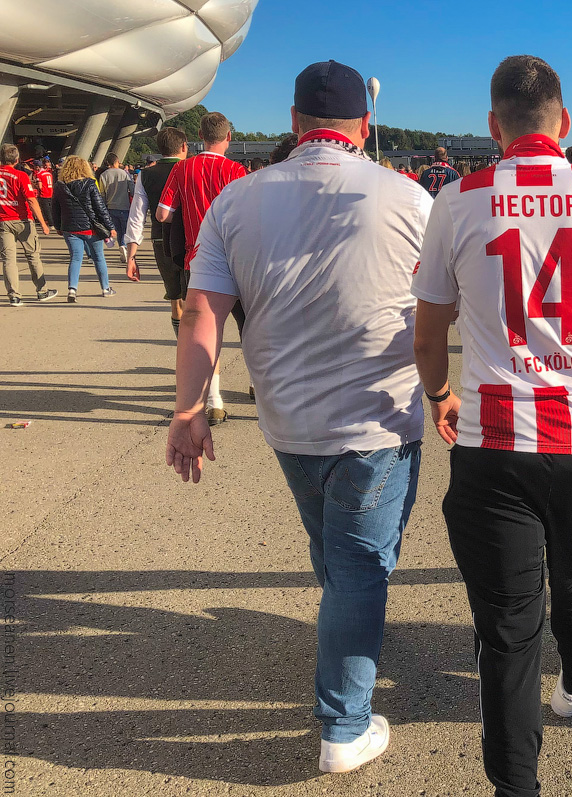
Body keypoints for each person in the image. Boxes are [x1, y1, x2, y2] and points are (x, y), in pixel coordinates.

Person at [167, 59, 431, 776]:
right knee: (360, 563)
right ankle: (344, 722)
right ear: (363, 126)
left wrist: (190, 404)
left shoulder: (235, 202)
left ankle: (349, 623)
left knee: (333, 546)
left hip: (287, 418)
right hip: (380, 416)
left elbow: (202, 315)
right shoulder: (408, 197)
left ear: (293, 123)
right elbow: (445, 304)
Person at [412, 54, 572, 797]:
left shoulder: (457, 200)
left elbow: (427, 334)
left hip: (493, 442)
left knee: (508, 631)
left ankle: (516, 785)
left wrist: (438, 395)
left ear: (494, 127)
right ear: (566, 123)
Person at [156, 111, 247, 424]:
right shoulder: (237, 170)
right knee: (250, 327)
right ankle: (256, 385)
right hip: (237, 261)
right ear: (228, 137)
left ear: (200, 135)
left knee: (209, 331)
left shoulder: (183, 168)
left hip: (199, 261)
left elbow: (163, 214)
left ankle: (215, 401)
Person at [126, 126, 189, 336]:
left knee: (175, 298)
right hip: (191, 239)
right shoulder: (191, 168)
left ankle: (182, 348)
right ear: (183, 146)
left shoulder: (145, 175)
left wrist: (131, 256)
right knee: (194, 299)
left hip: (161, 239)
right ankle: (196, 352)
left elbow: (137, 215)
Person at [51, 155, 117, 302]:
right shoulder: (90, 184)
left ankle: (72, 290)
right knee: (99, 258)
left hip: (70, 228)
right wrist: (110, 226)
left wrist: (58, 226)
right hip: (90, 228)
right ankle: (106, 288)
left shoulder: (59, 186)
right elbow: (100, 208)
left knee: (75, 258)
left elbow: (55, 208)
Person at [1, 144, 56, 306]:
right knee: (32, 255)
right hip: (23, 220)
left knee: (8, 260)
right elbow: (31, 200)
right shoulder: (20, 176)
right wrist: (43, 223)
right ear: (17, 159)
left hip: (3, 221)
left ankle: (14, 295)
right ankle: (42, 290)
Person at [97, 152, 132, 260]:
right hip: (124, 205)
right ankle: (123, 245)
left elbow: (102, 194)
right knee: (125, 229)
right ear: (117, 162)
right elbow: (132, 189)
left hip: (110, 206)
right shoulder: (124, 174)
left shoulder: (103, 175)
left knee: (117, 229)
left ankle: (121, 245)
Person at [34, 159, 55, 232]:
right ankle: (52, 222)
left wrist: (34, 184)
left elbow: (39, 186)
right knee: (51, 208)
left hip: (43, 193)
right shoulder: (49, 174)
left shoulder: (39, 174)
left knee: (45, 210)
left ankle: (51, 223)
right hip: (50, 192)